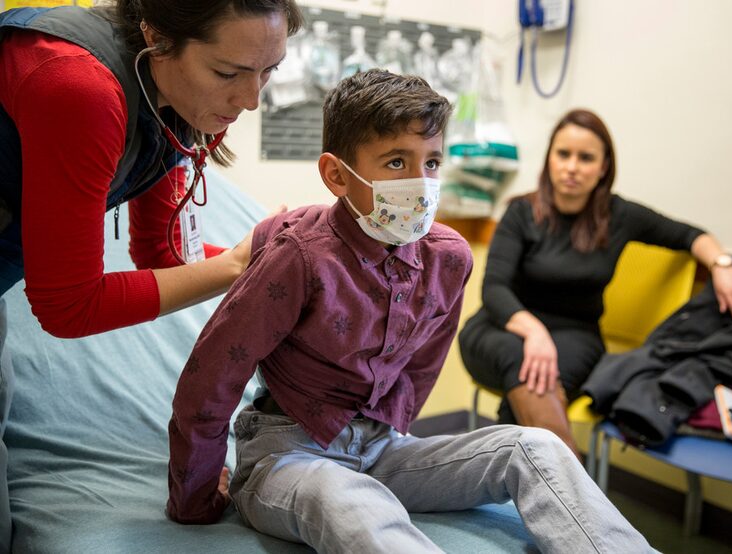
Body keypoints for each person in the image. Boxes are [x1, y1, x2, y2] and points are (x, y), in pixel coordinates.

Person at [166, 70, 652, 553]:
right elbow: (212, 376)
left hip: (380, 449)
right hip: (289, 454)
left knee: (535, 447)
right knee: (350, 500)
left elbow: (418, 368)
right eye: (397, 162)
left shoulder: (448, 258)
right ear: (337, 175)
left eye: (433, 161)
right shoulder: (300, 256)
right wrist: (197, 499)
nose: (421, 183)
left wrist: (385, 436)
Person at [0, 1, 302, 550]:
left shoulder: (172, 96)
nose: (251, 100)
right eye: (228, 73)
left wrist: (270, 256)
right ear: (158, 36)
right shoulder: (78, 86)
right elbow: (68, 306)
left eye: (269, 71)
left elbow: (166, 253)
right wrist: (239, 263)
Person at [458, 108, 732, 457]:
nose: (572, 167)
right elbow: (494, 288)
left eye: (585, 158)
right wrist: (534, 332)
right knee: (521, 358)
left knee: (532, 385)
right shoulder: (520, 212)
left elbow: (689, 235)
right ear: (549, 159)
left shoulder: (620, 216)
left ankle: (533, 487)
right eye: (563, 154)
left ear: (603, 167)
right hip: (502, 327)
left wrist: (722, 265)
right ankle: (573, 495)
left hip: (575, 337)